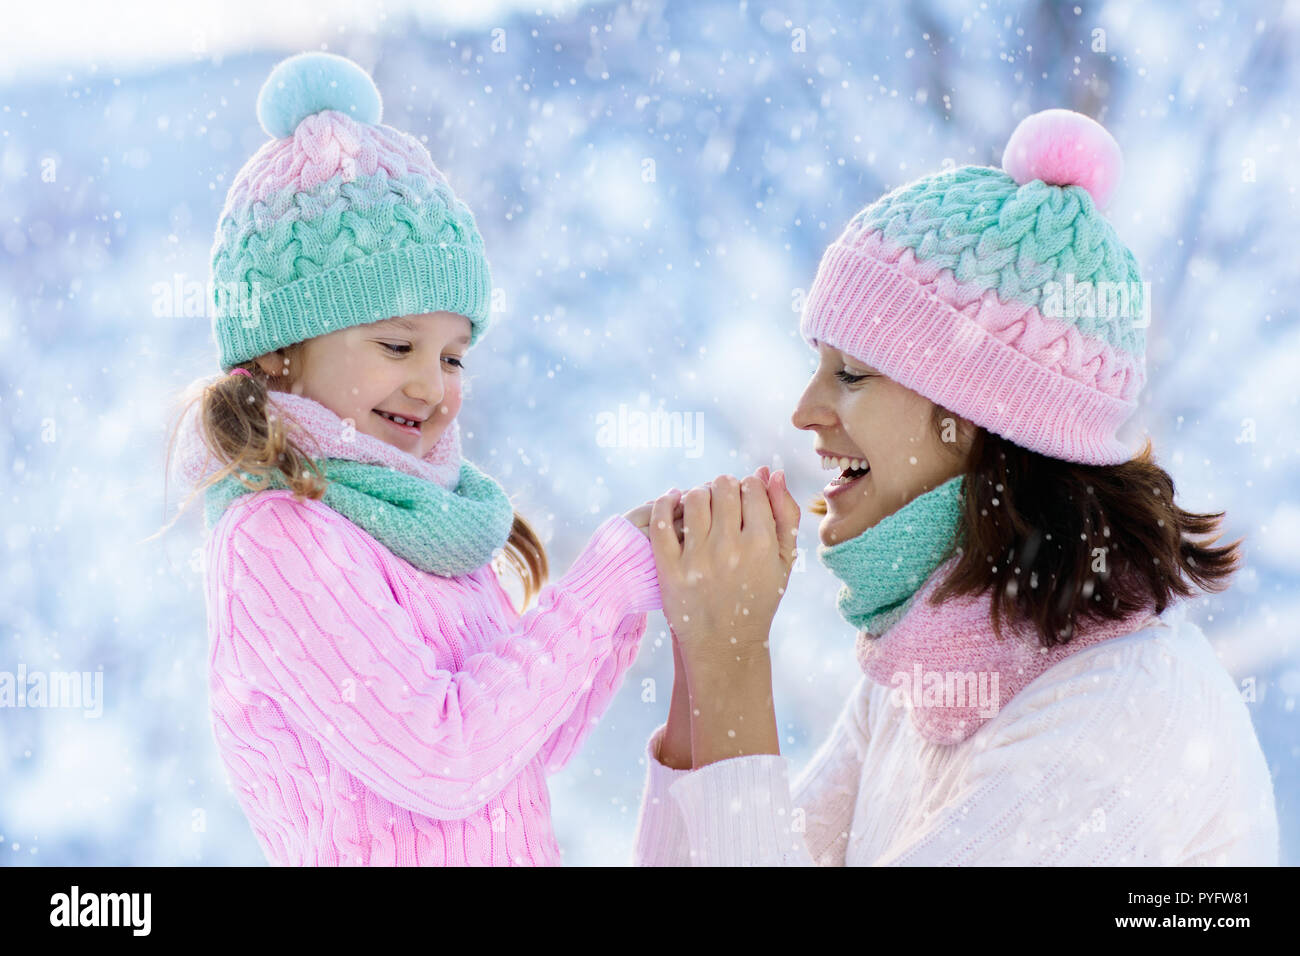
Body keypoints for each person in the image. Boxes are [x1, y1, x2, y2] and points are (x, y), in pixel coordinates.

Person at [631, 108, 1280, 866]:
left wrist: (732, 656)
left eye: (850, 375)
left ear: (978, 419)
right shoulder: (930, 671)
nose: (804, 411)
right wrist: (701, 659)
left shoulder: (1125, 709)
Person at [154, 51, 664, 865]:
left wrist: (641, 585)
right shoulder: (278, 539)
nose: (432, 386)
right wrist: (601, 587)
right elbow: (445, 758)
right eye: (397, 345)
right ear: (283, 351)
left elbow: (523, 748)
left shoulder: (419, 522)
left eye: (454, 356)